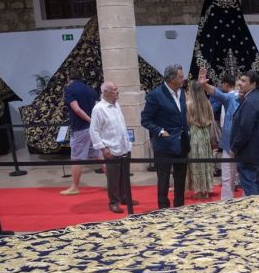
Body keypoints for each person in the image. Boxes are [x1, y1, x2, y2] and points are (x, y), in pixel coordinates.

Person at [141, 64, 190, 209]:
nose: (184, 79)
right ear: (171, 79)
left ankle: (179, 207)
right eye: (181, 77)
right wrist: (160, 131)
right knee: (163, 180)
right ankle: (163, 210)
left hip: (182, 143)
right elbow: (145, 120)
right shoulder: (155, 95)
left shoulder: (182, 92)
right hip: (164, 145)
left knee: (180, 179)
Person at [89, 81, 133, 213]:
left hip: (123, 146)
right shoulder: (99, 109)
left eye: (117, 88)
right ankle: (113, 202)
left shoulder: (116, 105)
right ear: (106, 92)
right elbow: (93, 131)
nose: (117, 91)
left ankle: (125, 197)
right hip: (111, 149)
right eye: (114, 89)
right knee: (113, 178)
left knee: (124, 175)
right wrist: (103, 149)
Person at [199, 70, 240, 200]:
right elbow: (217, 93)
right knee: (227, 177)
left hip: (245, 145)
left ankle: (248, 206)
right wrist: (204, 85)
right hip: (229, 144)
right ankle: (226, 204)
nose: (240, 86)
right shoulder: (230, 98)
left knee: (246, 177)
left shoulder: (252, 99)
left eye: (243, 82)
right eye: (240, 83)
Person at [60, 69, 101, 196]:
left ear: (69, 77)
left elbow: (77, 109)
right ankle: (112, 183)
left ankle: (74, 187)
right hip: (93, 129)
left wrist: (89, 120)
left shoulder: (70, 89)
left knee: (76, 158)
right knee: (99, 155)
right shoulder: (90, 89)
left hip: (80, 128)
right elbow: (97, 107)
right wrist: (94, 122)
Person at [230, 70, 259, 196]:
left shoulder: (251, 101)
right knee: (255, 184)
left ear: (253, 84)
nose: (240, 83)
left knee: (250, 188)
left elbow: (245, 129)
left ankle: (254, 209)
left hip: (248, 153)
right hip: (256, 152)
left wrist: (234, 148)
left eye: (244, 81)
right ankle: (258, 207)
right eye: (240, 80)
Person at [186, 80, 217, 199]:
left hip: (194, 134)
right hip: (205, 134)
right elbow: (212, 120)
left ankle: (199, 191)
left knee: (196, 164)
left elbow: (187, 121)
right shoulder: (207, 103)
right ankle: (206, 190)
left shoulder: (189, 104)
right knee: (205, 162)